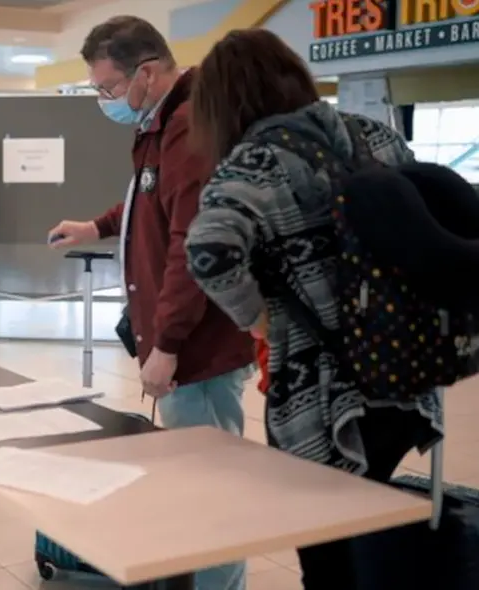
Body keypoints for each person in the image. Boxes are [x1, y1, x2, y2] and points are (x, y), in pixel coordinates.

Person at [184, 29, 442, 590]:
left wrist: (258, 319)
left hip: (322, 394)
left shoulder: (254, 161)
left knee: (326, 553)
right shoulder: (377, 136)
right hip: (403, 372)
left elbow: (209, 251)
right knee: (369, 523)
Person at [47, 15, 253, 590]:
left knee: (212, 488)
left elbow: (193, 245)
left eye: (108, 88)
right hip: (182, 343)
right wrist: (95, 226)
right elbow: (147, 205)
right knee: (192, 485)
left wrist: (167, 344)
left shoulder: (190, 128)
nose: (105, 100)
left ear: (148, 71)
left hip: (201, 350)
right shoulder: (157, 127)